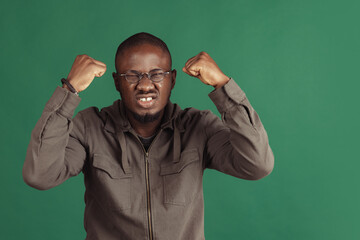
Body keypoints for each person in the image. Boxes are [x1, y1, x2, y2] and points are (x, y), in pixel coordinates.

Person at [23, 32, 274, 240]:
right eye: (131, 75)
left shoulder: (198, 126)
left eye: (157, 74)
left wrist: (223, 86)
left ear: (172, 79)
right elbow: (40, 175)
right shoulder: (90, 127)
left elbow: (257, 165)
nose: (145, 85)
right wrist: (69, 90)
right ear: (117, 82)